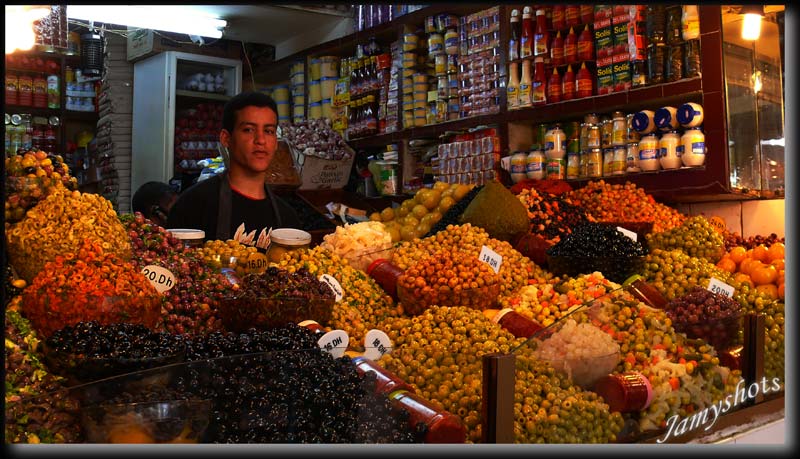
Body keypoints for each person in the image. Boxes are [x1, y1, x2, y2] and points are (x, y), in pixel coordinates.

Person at [166, 91, 301, 250]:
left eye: (268, 131)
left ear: (276, 142)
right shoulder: (193, 205)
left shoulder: (288, 220)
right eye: (249, 130)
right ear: (226, 138)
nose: (261, 140)